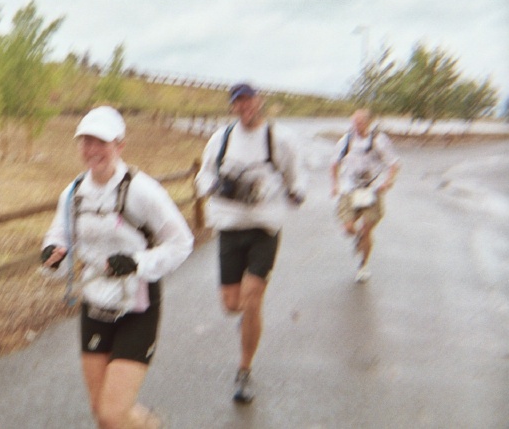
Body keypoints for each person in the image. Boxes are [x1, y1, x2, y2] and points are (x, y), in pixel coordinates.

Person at [40, 106, 193, 429]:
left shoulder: (142, 190)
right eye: (86, 141)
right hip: (96, 303)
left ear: (120, 145)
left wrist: (137, 262)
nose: (92, 150)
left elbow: (182, 242)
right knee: (102, 412)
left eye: (101, 142)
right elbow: (58, 237)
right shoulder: (73, 193)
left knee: (112, 414)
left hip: (138, 306)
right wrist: (52, 254)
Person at [195, 82, 305, 404]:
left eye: (249, 100)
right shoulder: (221, 139)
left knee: (253, 299)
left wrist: (297, 193)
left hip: (264, 228)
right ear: (233, 106)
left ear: (260, 101)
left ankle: (244, 371)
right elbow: (202, 177)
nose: (244, 107)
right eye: (238, 102)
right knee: (232, 305)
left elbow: (296, 177)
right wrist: (217, 185)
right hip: (229, 229)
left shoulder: (280, 139)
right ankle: (248, 322)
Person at [330, 108, 399, 283]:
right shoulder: (345, 140)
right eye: (354, 121)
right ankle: (358, 236)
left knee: (367, 228)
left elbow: (394, 163)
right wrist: (335, 185)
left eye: (359, 122)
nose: (356, 125)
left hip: (371, 190)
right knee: (347, 227)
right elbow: (334, 164)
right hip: (350, 189)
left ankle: (363, 266)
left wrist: (388, 181)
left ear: (368, 123)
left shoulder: (379, 140)